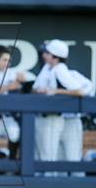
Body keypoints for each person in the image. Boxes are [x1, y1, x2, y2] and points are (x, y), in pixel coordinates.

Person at [32, 39, 85, 172]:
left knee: (49, 157)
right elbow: (35, 88)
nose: (44, 54)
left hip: (52, 118)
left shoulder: (60, 69)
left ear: (54, 56)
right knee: (44, 156)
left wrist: (56, 91)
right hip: (42, 116)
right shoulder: (47, 68)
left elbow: (80, 91)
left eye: (47, 52)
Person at [57, 70, 94, 176]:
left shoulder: (71, 74)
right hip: (52, 120)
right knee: (57, 160)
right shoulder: (45, 73)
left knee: (73, 157)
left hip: (71, 119)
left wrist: (65, 92)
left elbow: (89, 88)